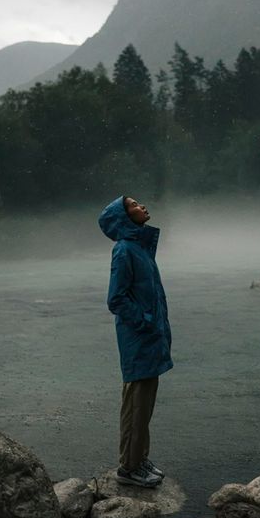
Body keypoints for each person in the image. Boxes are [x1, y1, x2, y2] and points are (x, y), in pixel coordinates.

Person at [98, 195, 173, 488]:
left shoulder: (139, 247)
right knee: (136, 403)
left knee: (146, 401)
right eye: (134, 205)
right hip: (138, 338)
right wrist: (145, 321)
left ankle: (139, 458)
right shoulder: (124, 250)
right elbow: (116, 299)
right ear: (124, 218)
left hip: (148, 337)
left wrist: (154, 324)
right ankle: (128, 468)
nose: (142, 206)